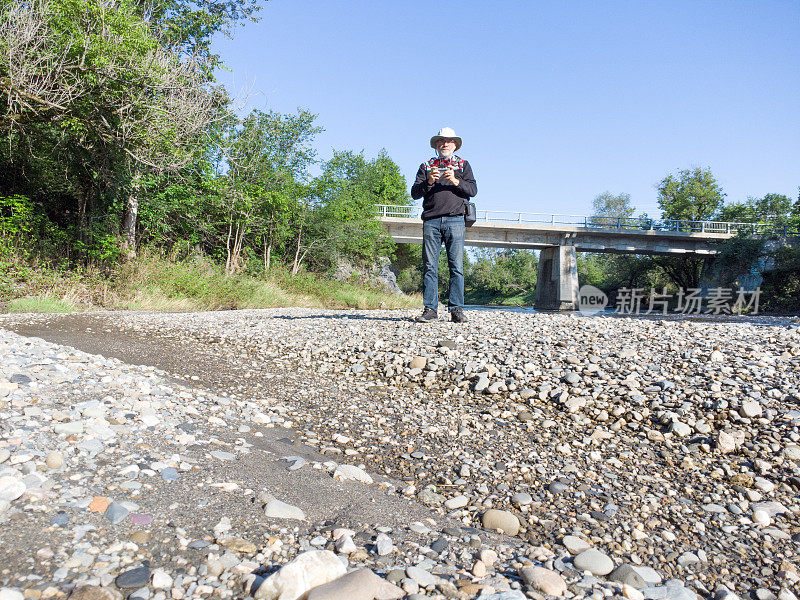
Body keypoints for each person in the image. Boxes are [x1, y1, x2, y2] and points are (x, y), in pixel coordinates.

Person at [411, 127, 477, 323]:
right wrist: (429, 181)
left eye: (449, 141)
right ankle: (430, 310)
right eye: (441, 141)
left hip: (456, 219)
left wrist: (456, 181)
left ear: (455, 145)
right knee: (429, 267)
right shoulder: (426, 166)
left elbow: (473, 190)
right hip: (431, 220)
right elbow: (415, 192)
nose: (445, 144)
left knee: (456, 266)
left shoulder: (463, 165)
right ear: (436, 145)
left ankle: (456, 309)